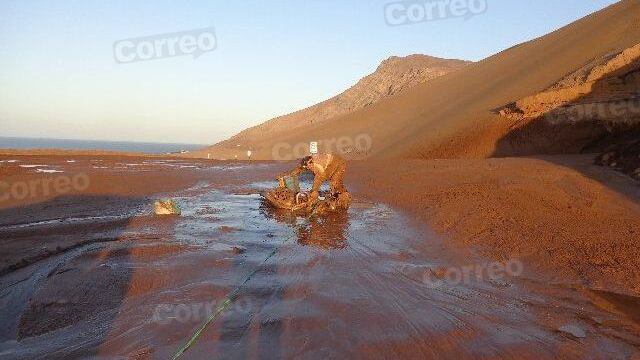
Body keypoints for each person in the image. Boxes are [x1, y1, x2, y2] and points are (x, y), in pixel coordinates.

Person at [284, 153, 350, 209]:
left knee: (335, 183)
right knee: (330, 182)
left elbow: (319, 179)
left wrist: (314, 190)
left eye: (308, 167)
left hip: (338, 162)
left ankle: (344, 198)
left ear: (311, 163)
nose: (307, 168)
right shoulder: (307, 162)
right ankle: (334, 196)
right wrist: (290, 174)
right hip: (329, 161)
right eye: (306, 167)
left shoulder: (318, 167)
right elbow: (300, 168)